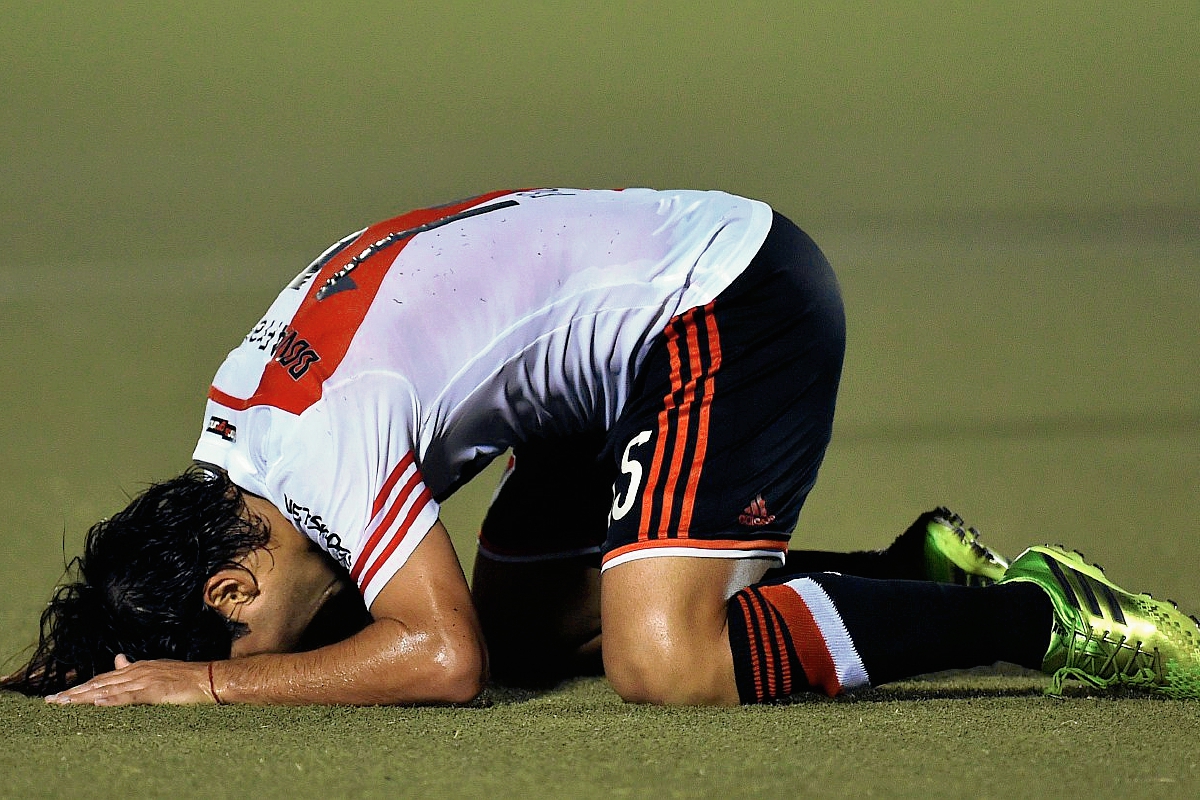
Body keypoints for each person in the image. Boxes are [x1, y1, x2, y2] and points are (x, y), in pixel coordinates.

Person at [4, 188, 1198, 706]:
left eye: (245, 633)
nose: (266, 653)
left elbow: (440, 657)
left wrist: (211, 681)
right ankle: (918, 572)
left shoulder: (321, 449)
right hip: (613, 353)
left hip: (726, 303)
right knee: (534, 630)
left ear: (233, 582)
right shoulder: (243, 427)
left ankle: (1036, 614)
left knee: (664, 660)